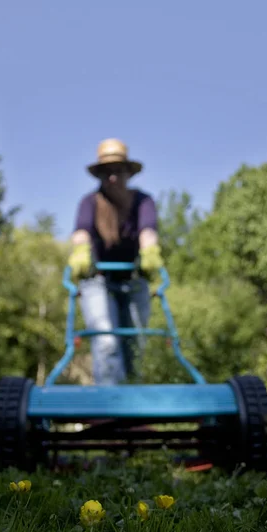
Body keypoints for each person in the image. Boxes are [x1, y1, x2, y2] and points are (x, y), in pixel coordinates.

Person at [68, 138, 164, 385]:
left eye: (118, 171)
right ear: (99, 175)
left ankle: (133, 403)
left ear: (128, 173)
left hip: (133, 281)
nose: (112, 178)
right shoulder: (90, 203)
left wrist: (150, 253)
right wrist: (80, 251)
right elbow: (82, 231)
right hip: (98, 281)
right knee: (106, 340)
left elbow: (147, 231)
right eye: (107, 172)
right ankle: (111, 404)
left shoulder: (143, 201)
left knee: (135, 343)